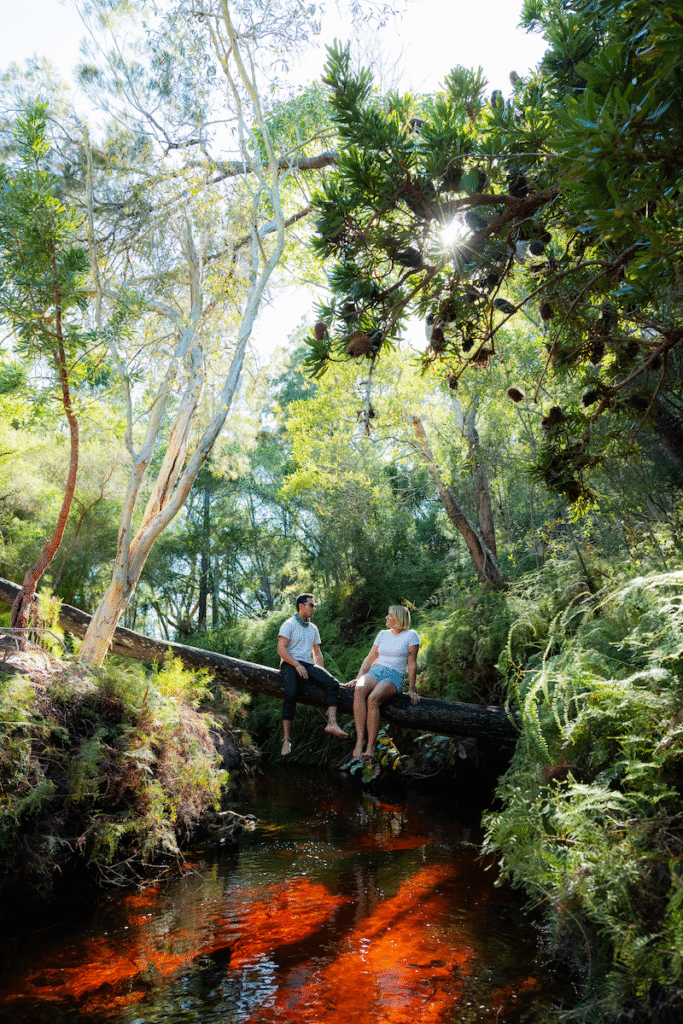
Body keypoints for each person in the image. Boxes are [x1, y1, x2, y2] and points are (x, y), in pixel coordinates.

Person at [345, 605, 420, 761]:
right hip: (376, 671)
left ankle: (371, 747)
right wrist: (359, 677)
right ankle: (360, 740)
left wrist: (412, 689)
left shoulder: (411, 635)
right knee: (359, 689)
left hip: (394, 675)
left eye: (390, 615)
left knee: (373, 698)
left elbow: (412, 663)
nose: (386, 618)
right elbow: (370, 658)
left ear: (399, 618)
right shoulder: (382, 634)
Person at [278, 593, 348, 757]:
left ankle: (331, 723)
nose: (314, 608)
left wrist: (321, 671)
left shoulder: (313, 628)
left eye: (314, 605)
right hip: (289, 663)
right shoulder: (288, 624)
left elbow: (316, 652)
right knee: (291, 693)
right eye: (311, 605)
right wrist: (296, 665)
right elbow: (281, 650)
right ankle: (286, 740)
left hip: (308, 664)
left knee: (333, 684)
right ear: (301, 606)